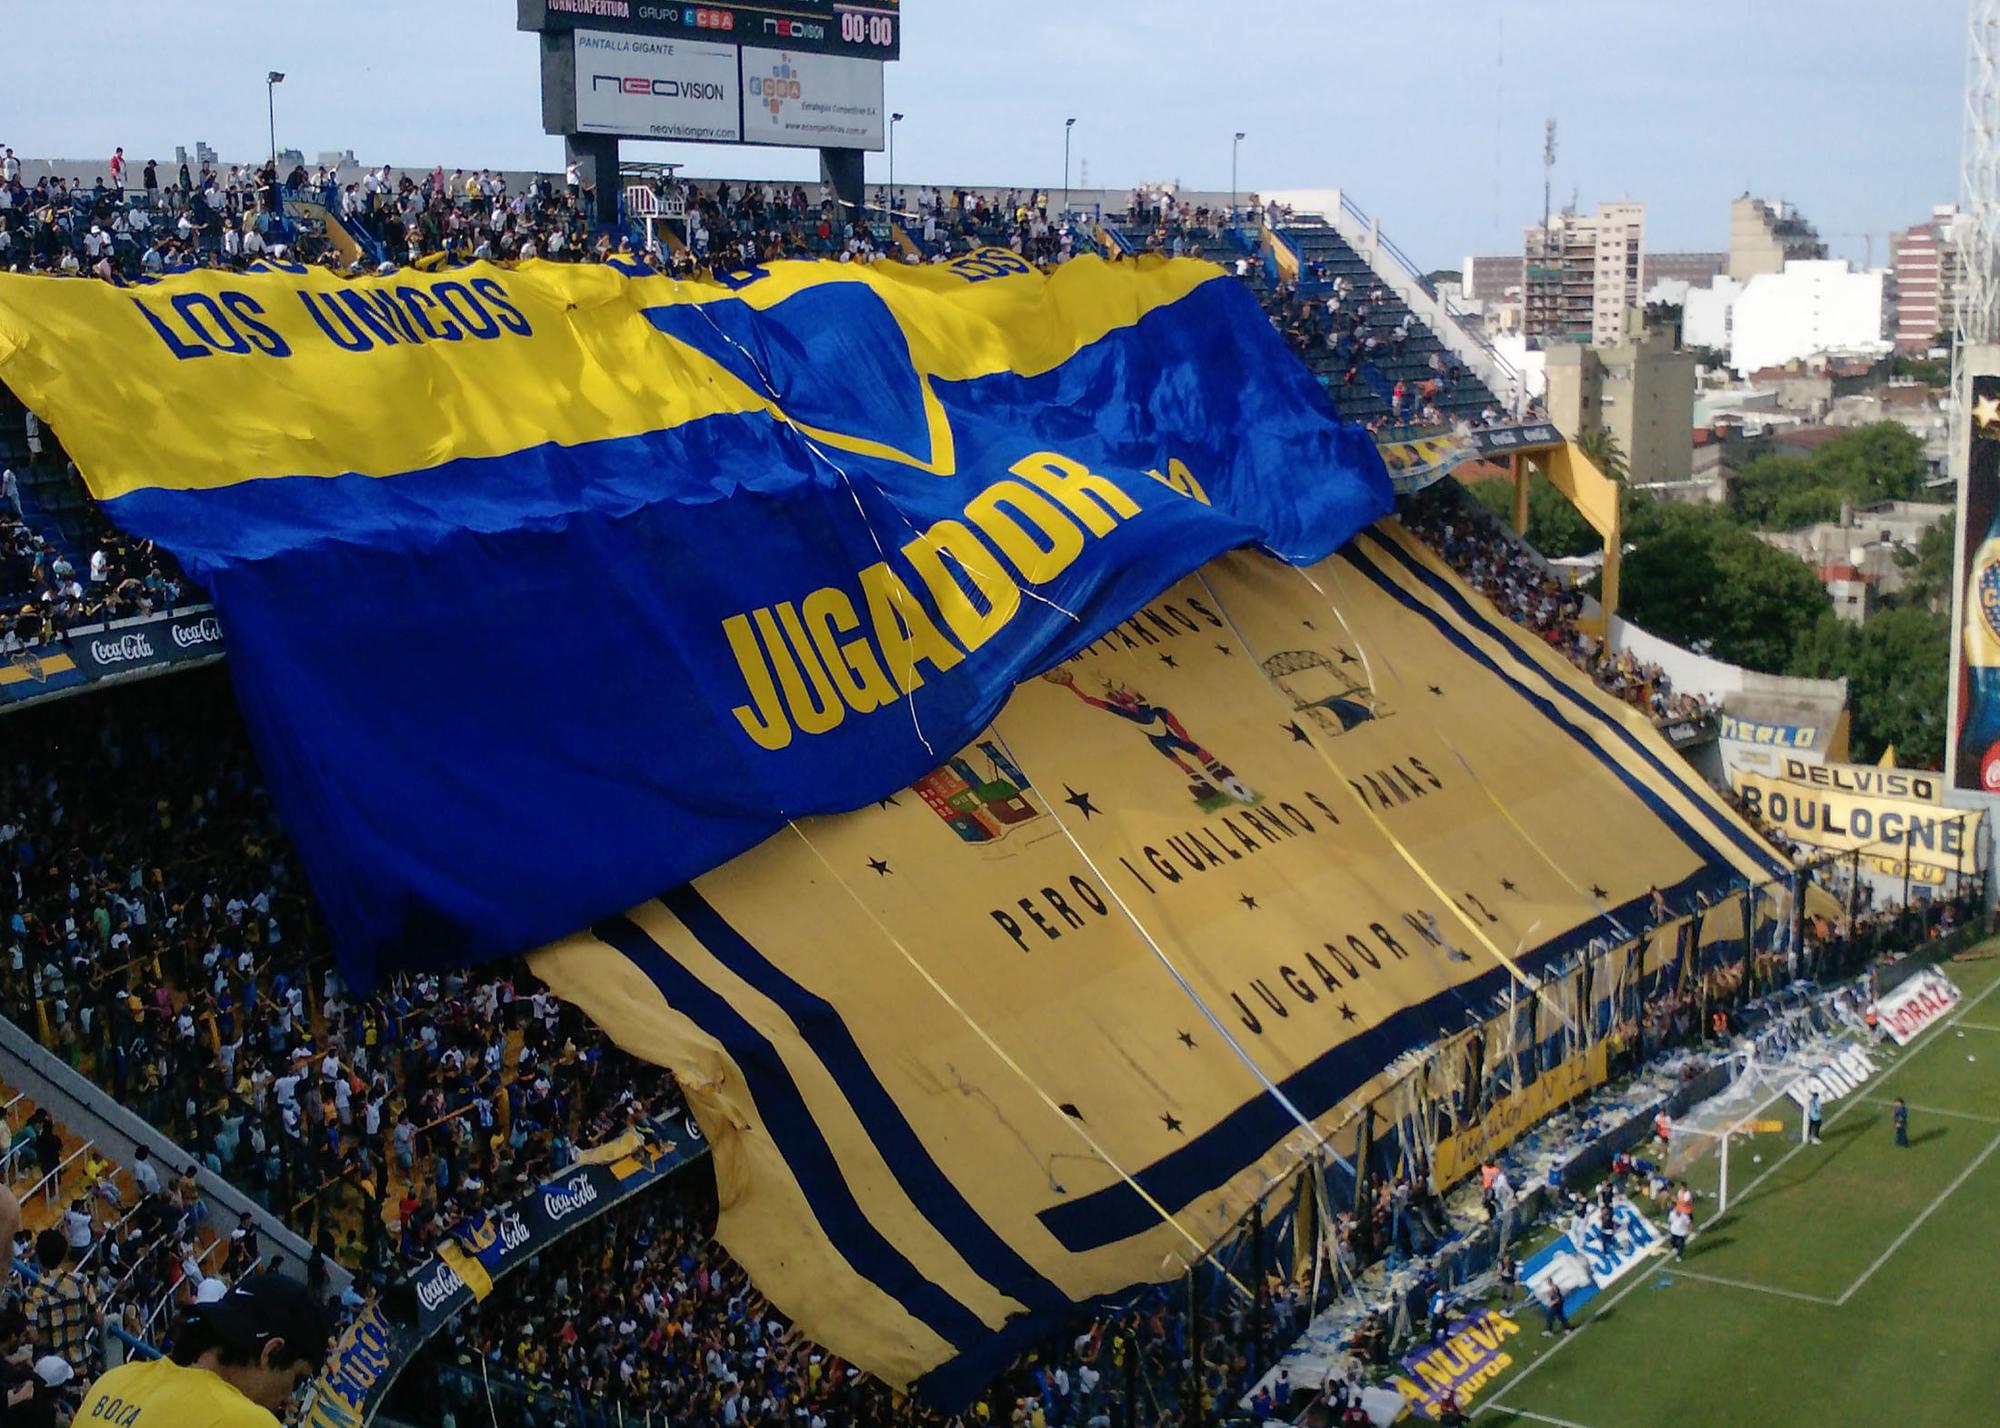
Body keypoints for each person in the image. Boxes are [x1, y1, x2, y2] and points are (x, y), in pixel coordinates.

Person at [78, 1272, 329, 1426]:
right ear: (271, 1352)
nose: (289, 1399)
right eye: (297, 1380)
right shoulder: (244, 1421)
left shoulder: (115, 1381)